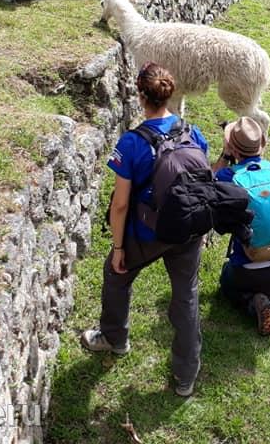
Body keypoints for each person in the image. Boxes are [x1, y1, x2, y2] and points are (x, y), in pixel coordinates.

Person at [81, 62, 209, 397]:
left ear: (140, 95)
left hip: (146, 234)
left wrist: (120, 248)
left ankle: (114, 338)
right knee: (186, 297)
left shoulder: (131, 143)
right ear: (168, 94)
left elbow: (120, 204)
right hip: (186, 231)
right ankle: (185, 376)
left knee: (116, 276)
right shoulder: (192, 132)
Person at [213, 117, 270, 336]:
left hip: (249, 264)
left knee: (227, 280)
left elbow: (209, 180)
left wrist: (226, 155)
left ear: (233, 147)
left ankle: (254, 303)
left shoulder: (229, 176)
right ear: (262, 143)